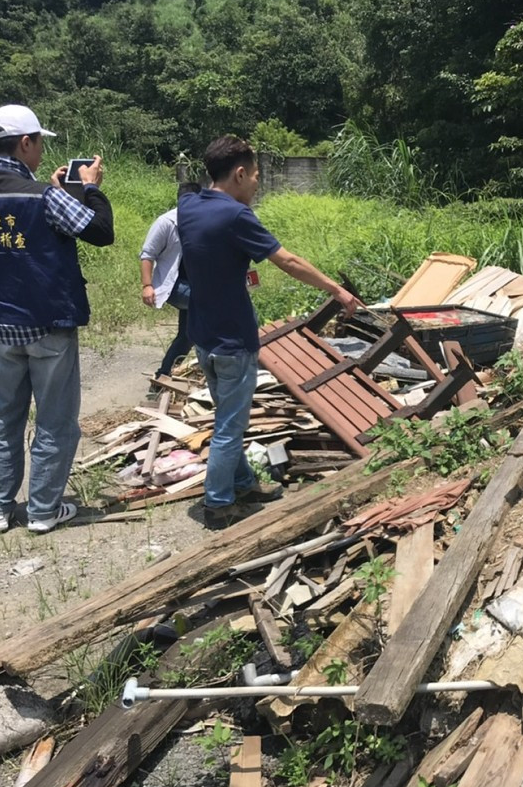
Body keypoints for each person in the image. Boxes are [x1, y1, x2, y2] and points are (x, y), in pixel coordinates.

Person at [178, 135, 359, 529]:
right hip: (232, 339)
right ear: (240, 174)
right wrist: (337, 290)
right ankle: (218, 503)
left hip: (203, 337)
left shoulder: (189, 207)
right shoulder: (236, 216)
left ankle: (242, 482)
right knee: (231, 425)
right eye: (256, 176)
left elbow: (185, 190)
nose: (258, 184)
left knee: (229, 418)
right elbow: (288, 261)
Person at [0, 104, 115, 535]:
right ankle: (44, 510)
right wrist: (89, 188)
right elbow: (99, 231)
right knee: (54, 420)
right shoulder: (43, 196)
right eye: (39, 143)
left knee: (3, 418)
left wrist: (61, 194)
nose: (41, 151)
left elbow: (23, 239)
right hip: (48, 322)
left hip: (3, 323)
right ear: (25, 142)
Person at [140, 182, 200, 385]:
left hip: (193, 285)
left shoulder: (199, 223)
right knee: (211, 306)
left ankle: (163, 375)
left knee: (188, 335)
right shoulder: (166, 222)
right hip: (172, 286)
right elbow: (147, 255)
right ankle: (215, 368)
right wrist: (147, 286)